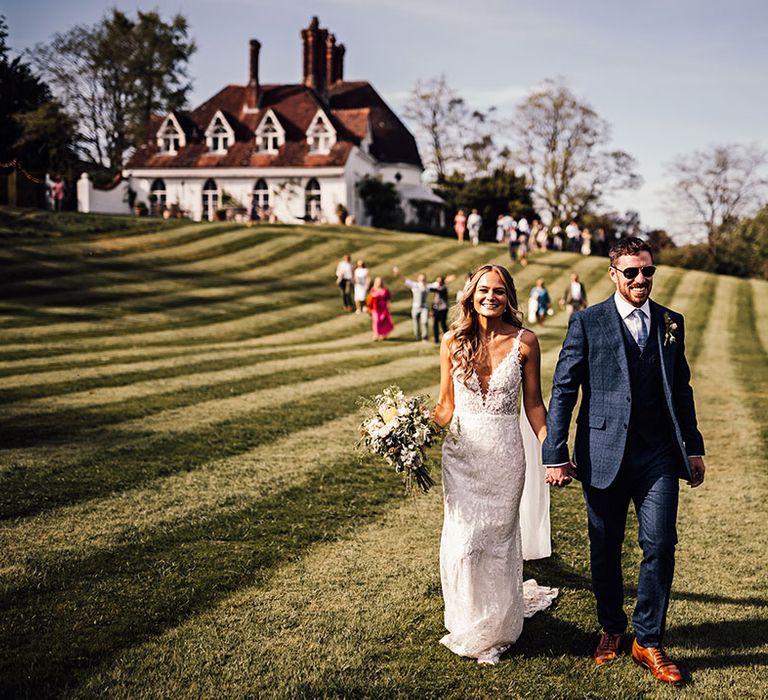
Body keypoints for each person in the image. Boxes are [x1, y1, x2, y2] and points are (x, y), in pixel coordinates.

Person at [542, 237, 706, 686]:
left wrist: (693, 447)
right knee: (604, 545)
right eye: (631, 272)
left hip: (657, 455)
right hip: (602, 453)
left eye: (648, 271)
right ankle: (613, 627)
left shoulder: (671, 323)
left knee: (660, 544)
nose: (641, 280)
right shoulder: (588, 322)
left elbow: (683, 389)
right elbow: (564, 390)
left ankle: (648, 639)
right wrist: (555, 453)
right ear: (613, 274)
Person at [432, 264, 557, 666]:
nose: (491, 297)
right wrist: (410, 431)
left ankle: (500, 626)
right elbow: (446, 405)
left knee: (499, 543)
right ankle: (467, 619)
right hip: (463, 455)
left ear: (509, 297)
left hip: (505, 454)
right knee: (463, 543)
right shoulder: (452, 341)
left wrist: (551, 449)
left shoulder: (526, 342)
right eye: (484, 289)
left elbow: (534, 405)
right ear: (471, 294)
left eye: (499, 291)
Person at [392, 267, 431, 342]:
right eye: (421, 278)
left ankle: (424, 337)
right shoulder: (415, 285)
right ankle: (417, 336)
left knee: (425, 321)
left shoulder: (427, 286)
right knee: (416, 324)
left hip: (424, 308)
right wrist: (398, 273)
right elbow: (405, 280)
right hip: (415, 308)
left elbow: (438, 285)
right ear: (418, 279)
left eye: (423, 278)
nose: (422, 280)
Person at [429, 274, 456, 343]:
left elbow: (437, 290)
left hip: (443, 309)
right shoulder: (437, 287)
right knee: (435, 325)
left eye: (440, 281)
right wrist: (432, 309)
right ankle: (436, 340)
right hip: (436, 309)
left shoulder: (444, 288)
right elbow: (434, 298)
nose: (438, 282)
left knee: (443, 324)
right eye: (437, 281)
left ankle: (448, 338)